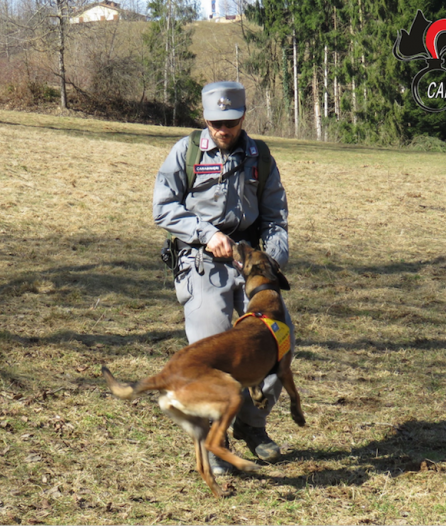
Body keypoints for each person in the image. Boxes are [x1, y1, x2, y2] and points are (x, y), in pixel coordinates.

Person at [152, 81, 294, 474]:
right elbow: (162, 208)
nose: (223, 129)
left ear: (243, 117)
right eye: (216, 122)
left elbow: (276, 217)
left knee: (279, 344)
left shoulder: (259, 156)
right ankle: (216, 439)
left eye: (230, 122)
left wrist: (271, 262)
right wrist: (206, 233)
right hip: (202, 262)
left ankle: (253, 426)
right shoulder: (187, 153)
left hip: (249, 265)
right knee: (211, 348)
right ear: (205, 118)